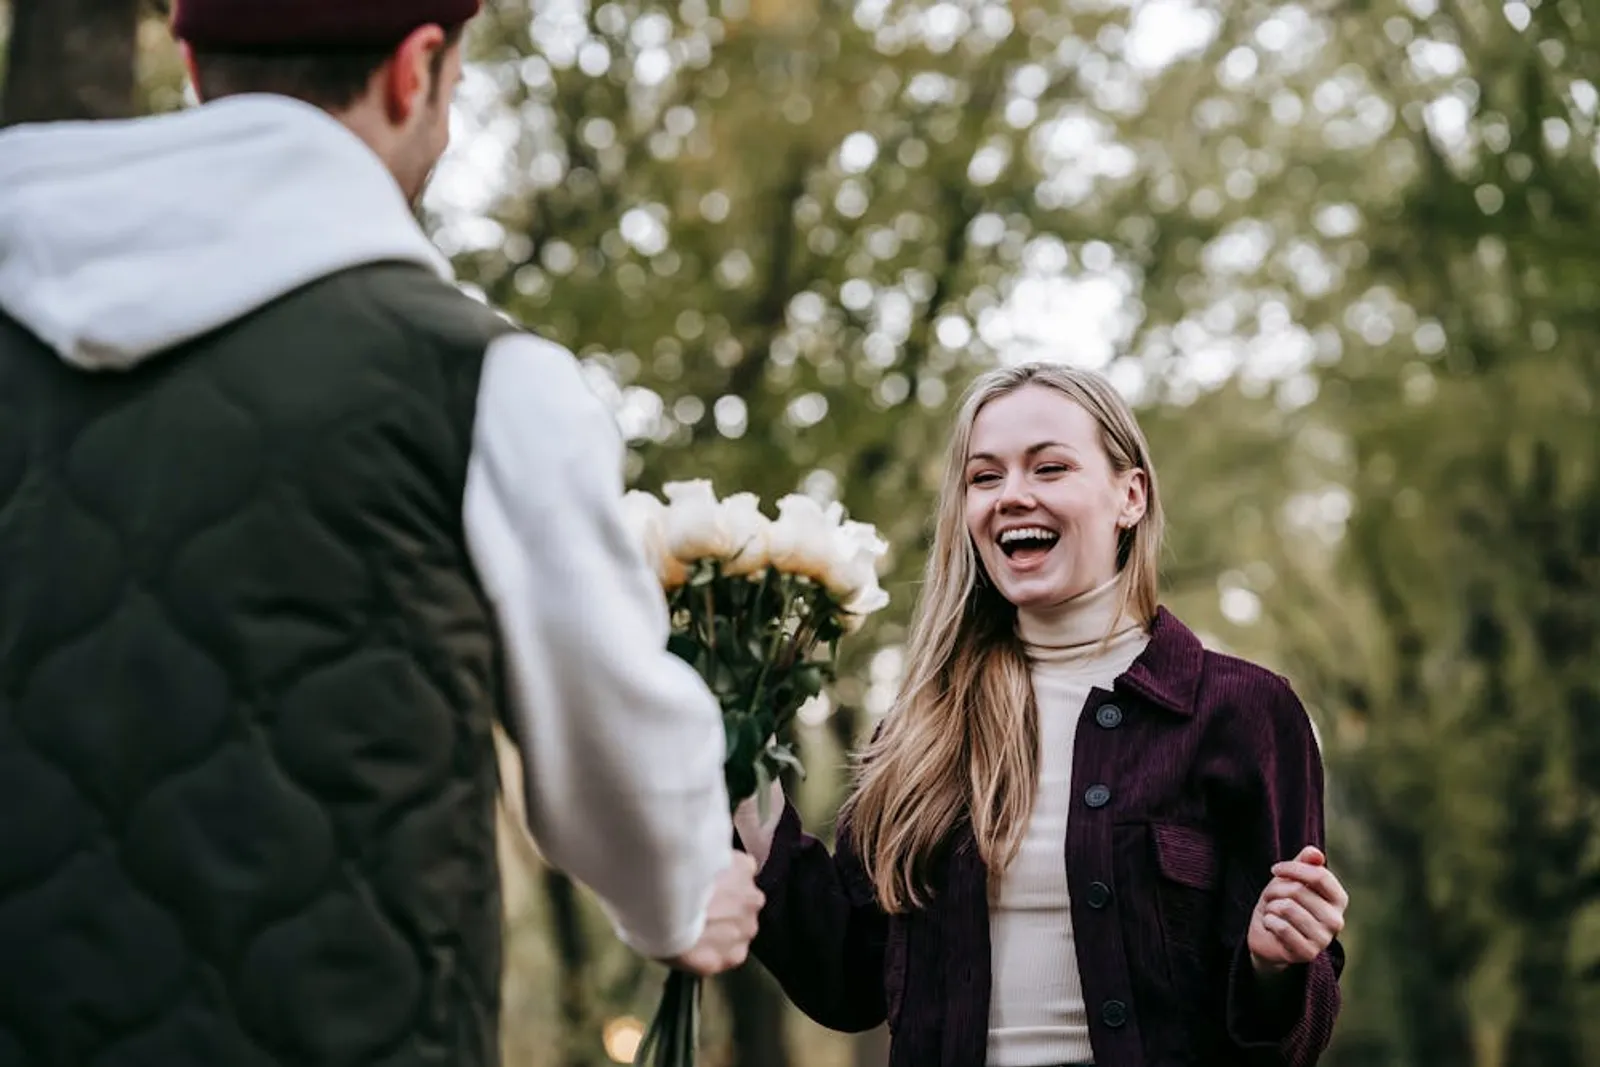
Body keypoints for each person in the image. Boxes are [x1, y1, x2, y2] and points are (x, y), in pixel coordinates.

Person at [0, 3, 761, 1065]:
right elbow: (612, 757)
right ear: (418, 71)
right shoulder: (480, 379)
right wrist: (685, 893)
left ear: (186, 61)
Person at [734, 362, 1347, 1067]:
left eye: (1049, 468)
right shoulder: (918, 730)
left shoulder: (1245, 715)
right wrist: (737, 750)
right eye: (984, 477)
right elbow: (844, 976)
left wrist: (1275, 963)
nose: (1012, 495)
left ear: (1130, 495)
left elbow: (1293, 1037)